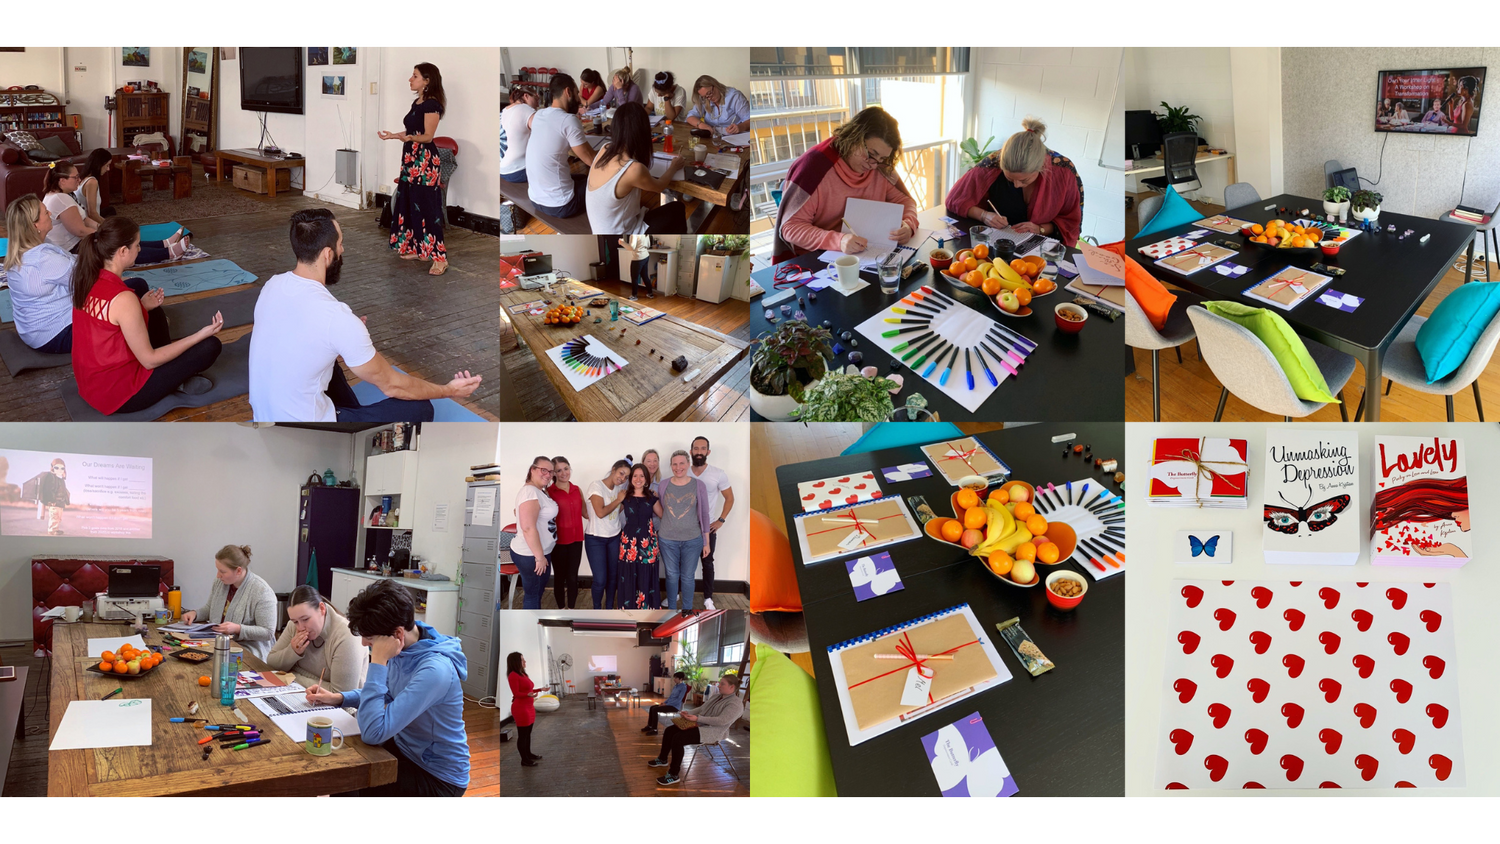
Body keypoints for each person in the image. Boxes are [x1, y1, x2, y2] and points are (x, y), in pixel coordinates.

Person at [249, 208, 481, 423]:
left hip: (264, 415)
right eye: (340, 244)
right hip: (307, 430)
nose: (343, 250)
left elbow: (298, 331)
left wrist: (346, 337)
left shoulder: (272, 284)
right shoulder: (335, 317)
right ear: (328, 254)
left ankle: (350, 409)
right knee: (421, 409)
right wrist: (450, 390)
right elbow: (393, 386)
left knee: (328, 356)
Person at [307, 580, 470, 796]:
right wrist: (339, 698)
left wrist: (379, 661)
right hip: (404, 748)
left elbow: (373, 732)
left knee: (350, 779)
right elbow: (391, 693)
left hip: (436, 775)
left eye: (370, 638)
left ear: (398, 635)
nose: (364, 643)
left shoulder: (435, 671)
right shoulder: (405, 647)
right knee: (343, 768)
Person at [70, 218, 223, 416]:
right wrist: (200, 334)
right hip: (119, 395)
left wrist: (142, 306)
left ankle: (172, 373)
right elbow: (149, 361)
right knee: (210, 346)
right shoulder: (123, 299)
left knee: (153, 307)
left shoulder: (88, 278)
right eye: (137, 245)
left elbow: (109, 324)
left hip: (90, 384)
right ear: (123, 251)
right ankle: (174, 379)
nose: (140, 250)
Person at [772, 106, 919, 264]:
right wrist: (839, 241)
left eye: (882, 159)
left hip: (865, 254)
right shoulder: (814, 168)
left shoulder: (880, 167)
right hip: (817, 259)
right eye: (871, 154)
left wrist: (908, 225)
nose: (873, 166)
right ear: (854, 136)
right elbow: (791, 228)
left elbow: (906, 201)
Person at [945, 118, 1084, 248]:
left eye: (1024, 180)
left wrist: (1040, 228)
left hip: (1040, 250)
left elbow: (1070, 222)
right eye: (1010, 180)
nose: (1016, 185)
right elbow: (955, 199)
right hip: (996, 245)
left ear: (1042, 167)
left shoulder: (1063, 171)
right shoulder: (991, 165)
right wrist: (984, 215)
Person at [381, 64, 449, 275]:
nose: (410, 79)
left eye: (415, 76)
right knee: (410, 204)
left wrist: (410, 138)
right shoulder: (417, 102)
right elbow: (412, 130)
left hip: (424, 161)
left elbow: (428, 136)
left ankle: (439, 258)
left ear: (427, 80)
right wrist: (395, 135)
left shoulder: (432, 105)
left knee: (427, 209)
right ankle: (418, 248)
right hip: (411, 159)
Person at [44, 162, 187, 262]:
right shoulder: (60, 199)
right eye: (75, 177)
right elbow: (80, 231)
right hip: (73, 249)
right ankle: (168, 253)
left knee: (121, 236)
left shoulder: (62, 196)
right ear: (62, 181)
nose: (79, 179)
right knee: (120, 247)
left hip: (78, 243)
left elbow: (85, 219)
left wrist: (103, 228)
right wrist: (105, 235)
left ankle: (164, 243)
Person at [587, 103, 689, 235]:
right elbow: (659, 187)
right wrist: (673, 167)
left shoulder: (605, 148)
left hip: (600, 228)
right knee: (678, 208)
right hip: (621, 234)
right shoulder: (634, 169)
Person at [5, 195, 78, 353]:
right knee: (130, 296)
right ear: (35, 225)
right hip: (57, 334)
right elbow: (86, 281)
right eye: (45, 212)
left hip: (32, 332)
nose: (50, 213)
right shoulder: (44, 259)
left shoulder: (21, 251)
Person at [180, 545, 278, 661]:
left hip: (247, 650)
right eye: (217, 570)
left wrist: (237, 629)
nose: (218, 575)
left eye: (222, 571)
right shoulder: (220, 582)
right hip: (218, 643)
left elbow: (268, 632)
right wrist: (194, 614)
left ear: (238, 571)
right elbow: (209, 608)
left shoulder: (262, 591)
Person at [264, 585, 368, 693]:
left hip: (340, 708)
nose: (300, 627)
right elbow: (271, 664)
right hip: (301, 695)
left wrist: (291, 676)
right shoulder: (294, 626)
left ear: (322, 609)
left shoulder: (347, 636)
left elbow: (341, 695)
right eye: (295, 621)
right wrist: (293, 651)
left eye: (305, 619)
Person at [647, 673, 744, 786]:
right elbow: (702, 708)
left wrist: (698, 718)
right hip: (699, 724)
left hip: (712, 732)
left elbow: (722, 721)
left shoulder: (736, 704)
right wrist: (689, 713)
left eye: (722, 684)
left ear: (732, 687)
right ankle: (662, 759)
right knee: (669, 731)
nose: (719, 686)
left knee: (678, 739)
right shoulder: (717, 696)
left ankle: (673, 774)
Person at [526, 74, 598, 219]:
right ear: (568, 92)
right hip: (562, 205)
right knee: (597, 181)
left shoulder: (539, 115)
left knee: (582, 178)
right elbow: (593, 161)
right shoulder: (568, 120)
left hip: (535, 199)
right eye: (577, 93)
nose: (579, 99)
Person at [655, 450, 712, 612]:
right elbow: (660, 509)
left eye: (681, 463)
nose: (678, 467)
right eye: (674, 464)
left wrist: (706, 541)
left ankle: (687, 610)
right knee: (672, 575)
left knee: (687, 577)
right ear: (671, 466)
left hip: (692, 540)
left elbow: (704, 514)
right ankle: (672, 611)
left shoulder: (698, 485)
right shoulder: (664, 485)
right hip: (667, 539)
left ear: (688, 464)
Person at [689, 436, 734, 612]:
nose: (699, 452)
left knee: (707, 562)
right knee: (682, 562)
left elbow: (729, 498)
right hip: (685, 528)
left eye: (702, 449)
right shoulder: (683, 472)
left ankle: (708, 598)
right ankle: (676, 593)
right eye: (696, 448)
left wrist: (721, 520)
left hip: (707, 528)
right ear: (691, 451)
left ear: (708, 452)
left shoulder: (718, 473)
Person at [512, 456, 558, 609]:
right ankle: (530, 628)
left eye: (550, 472)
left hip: (539, 552)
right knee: (532, 595)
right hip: (531, 554)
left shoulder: (538, 491)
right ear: (532, 469)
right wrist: (539, 557)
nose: (548, 475)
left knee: (536, 593)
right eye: (543, 470)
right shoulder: (530, 492)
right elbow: (528, 528)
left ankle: (532, 624)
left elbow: (522, 514)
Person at [585, 460, 631, 609]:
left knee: (613, 578)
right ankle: (597, 610)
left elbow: (617, 511)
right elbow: (600, 513)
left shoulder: (619, 490)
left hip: (614, 537)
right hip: (595, 539)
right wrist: (618, 500)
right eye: (621, 473)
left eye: (626, 477)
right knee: (600, 579)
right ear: (613, 469)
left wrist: (624, 501)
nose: (622, 478)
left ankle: (609, 608)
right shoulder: (596, 485)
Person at [618, 463, 662, 610]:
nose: (638, 479)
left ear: (646, 478)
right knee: (628, 573)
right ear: (630, 478)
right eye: (635, 475)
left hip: (647, 542)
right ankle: (628, 608)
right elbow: (612, 513)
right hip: (628, 542)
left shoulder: (651, 498)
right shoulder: (624, 497)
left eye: (641, 476)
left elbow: (664, 516)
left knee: (646, 574)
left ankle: (647, 608)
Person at [547, 455, 585, 610]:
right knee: (560, 577)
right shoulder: (549, 492)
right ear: (554, 473)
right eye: (559, 470)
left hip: (577, 539)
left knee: (572, 576)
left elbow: (586, 513)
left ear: (570, 468)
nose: (563, 473)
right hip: (559, 541)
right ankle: (561, 608)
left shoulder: (577, 490)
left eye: (566, 469)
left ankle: (572, 609)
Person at [507, 652, 544, 767]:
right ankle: (524, 760)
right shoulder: (513, 675)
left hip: (529, 707)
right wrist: (529, 695)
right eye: (522, 660)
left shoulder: (523, 674)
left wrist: (539, 689)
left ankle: (528, 754)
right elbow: (516, 693)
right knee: (523, 735)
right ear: (516, 662)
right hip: (521, 709)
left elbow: (528, 690)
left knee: (528, 734)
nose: (525, 662)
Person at [684, 75, 750, 135]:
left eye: (709, 93)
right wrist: (701, 124)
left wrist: (740, 127)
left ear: (715, 85)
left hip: (734, 137)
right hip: (712, 137)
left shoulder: (734, 96)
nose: (709, 98)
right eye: (705, 96)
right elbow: (690, 116)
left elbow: (750, 120)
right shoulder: (704, 99)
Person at [501, 88, 538, 184]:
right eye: (536, 99)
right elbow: (544, 133)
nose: (537, 104)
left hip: (502, 170)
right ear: (526, 96)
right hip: (518, 171)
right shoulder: (525, 109)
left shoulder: (504, 110)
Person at [74, 148, 116, 225]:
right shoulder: (92, 182)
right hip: (88, 222)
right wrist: (107, 226)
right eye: (107, 165)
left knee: (111, 210)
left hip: (82, 217)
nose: (108, 169)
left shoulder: (82, 177)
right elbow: (92, 214)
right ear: (99, 165)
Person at [640, 671, 689, 735]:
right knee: (652, 707)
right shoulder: (675, 686)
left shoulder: (683, 687)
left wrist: (667, 704)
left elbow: (679, 700)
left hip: (674, 707)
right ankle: (650, 726)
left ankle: (654, 730)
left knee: (655, 710)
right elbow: (670, 697)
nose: (674, 679)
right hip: (669, 704)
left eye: (676, 678)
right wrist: (664, 702)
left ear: (681, 679)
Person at [618, 234, 656, 300]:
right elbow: (648, 245)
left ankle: (634, 296)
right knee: (645, 276)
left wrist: (622, 242)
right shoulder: (645, 233)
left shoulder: (634, 234)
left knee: (634, 278)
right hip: (645, 256)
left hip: (638, 258)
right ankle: (650, 294)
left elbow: (631, 248)